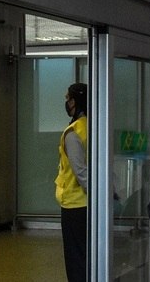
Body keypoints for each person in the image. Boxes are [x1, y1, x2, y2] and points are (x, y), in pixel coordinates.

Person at [55, 83, 89, 282]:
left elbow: (80, 171)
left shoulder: (73, 132)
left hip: (75, 205)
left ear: (75, 101)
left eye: (68, 98)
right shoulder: (93, 126)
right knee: (87, 254)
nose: (66, 103)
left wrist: (93, 194)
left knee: (75, 258)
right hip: (87, 205)